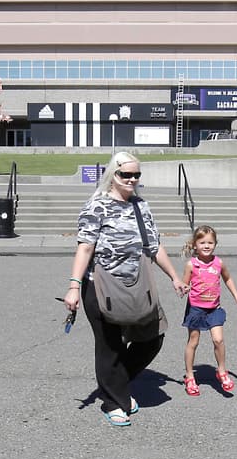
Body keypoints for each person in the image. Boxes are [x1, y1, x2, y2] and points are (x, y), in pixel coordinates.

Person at [63, 152, 187, 427]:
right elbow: (85, 247)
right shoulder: (97, 206)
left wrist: (174, 277)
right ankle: (113, 401)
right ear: (113, 175)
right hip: (100, 285)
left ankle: (116, 385)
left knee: (153, 337)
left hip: (137, 285)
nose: (131, 180)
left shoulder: (141, 206)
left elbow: (154, 246)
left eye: (136, 175)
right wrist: (74, 286)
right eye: (125, 175)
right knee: (110, 346)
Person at [179, 225, 237, 396]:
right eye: (202, 243)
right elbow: (184, 284)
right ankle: (189, 376)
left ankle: (222, 371)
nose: (206, 246)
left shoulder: (219, 263)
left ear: (215, 244)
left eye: (210, 242)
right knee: (193, 342)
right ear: (195, 245)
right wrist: (183, 289)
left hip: (214, 308)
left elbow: (228, 279)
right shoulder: (191, 265)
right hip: (195, 308)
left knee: (218, 340)